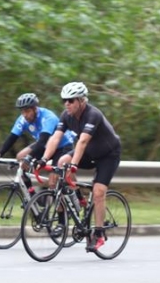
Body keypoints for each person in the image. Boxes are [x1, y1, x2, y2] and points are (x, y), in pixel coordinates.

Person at [40, 82, 122, 253]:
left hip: (108, 154)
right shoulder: (66, 115)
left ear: (81, 101)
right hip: (90, 152)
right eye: (65, 100)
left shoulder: (93, 114)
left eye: (70, 100)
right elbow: (55, 138)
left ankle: (99, 234)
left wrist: (74, 165)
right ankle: (79, 197)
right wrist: (44, 159)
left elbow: (83, 141)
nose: (66, 104)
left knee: (99, 192)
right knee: (61, 161)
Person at [0, 93, 75, 193]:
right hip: (45, 145)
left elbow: (42, 141)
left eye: (27, 111)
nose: (25, 115)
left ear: (35, 109)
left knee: (53, 182)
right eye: (22, 111)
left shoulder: (48, 117)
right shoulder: (23, 119)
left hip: (62, 146)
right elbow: (12, 138)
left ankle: (76, 196)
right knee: (21, 157)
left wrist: (29, 157)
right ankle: (31, 194)